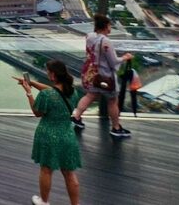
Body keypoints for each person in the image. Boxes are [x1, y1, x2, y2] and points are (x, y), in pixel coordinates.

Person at [16, 60, 81, 205]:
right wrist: (32, 83)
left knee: (46, 170)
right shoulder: (73, 92)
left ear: (53, 75)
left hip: (48, 136)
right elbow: (55, 92)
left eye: (48, 72)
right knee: (69, 173)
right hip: (67, 135)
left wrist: (29, 92)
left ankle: (44, 202)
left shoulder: (46, 95)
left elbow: (37, 112)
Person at [70, 14, 132, 138]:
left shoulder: (90, 36)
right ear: (105, 26)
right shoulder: (105, 41)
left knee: (90, 95)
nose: (110, 28)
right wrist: (125, 57)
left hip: (92, 74)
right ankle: (116, 128)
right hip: (105, 76)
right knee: (112, 101)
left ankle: (76, 117)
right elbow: (113, 61)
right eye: (110, 25)